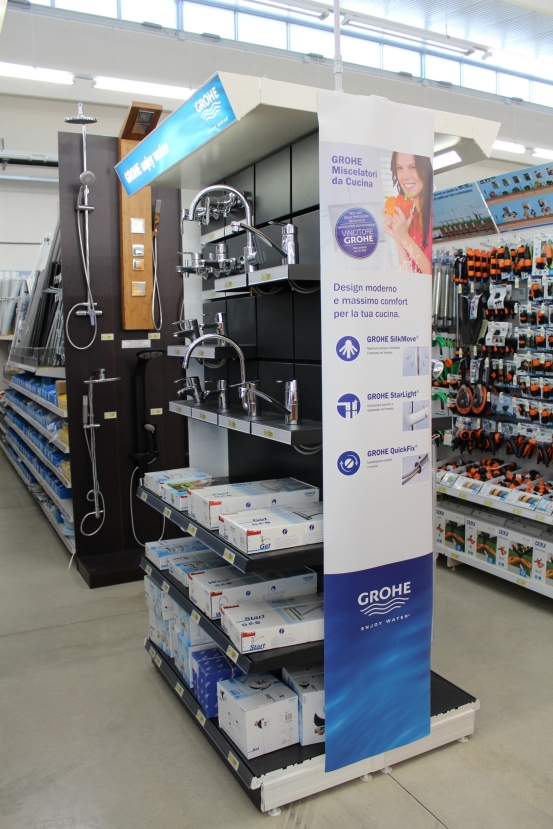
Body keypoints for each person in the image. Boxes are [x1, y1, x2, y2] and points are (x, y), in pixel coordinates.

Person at [383, 152, 433, 274]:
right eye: (399, 168)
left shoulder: (434, 210)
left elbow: (432, 275)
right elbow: (407, 273)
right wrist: (397, 235)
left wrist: (404, 237)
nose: (405, 177)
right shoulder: (411, 218)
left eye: (412, 167)